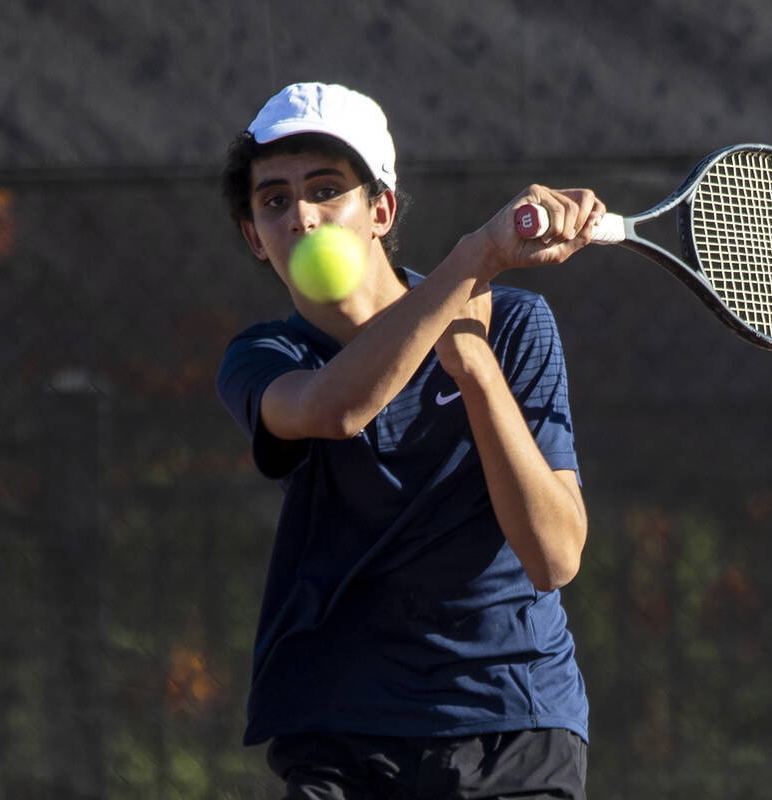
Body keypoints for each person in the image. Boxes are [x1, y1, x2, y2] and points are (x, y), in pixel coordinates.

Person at [216, 82, 606, 799]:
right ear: (255, 238)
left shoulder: (513, 327)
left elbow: (554, 557)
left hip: (511, 726)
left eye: (327, 189)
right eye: (274, 200)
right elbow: (339, 409)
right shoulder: (262, 358)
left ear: (381, 211)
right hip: (339, 733)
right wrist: (479, 255)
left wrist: (475, 363)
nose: (301, 215)